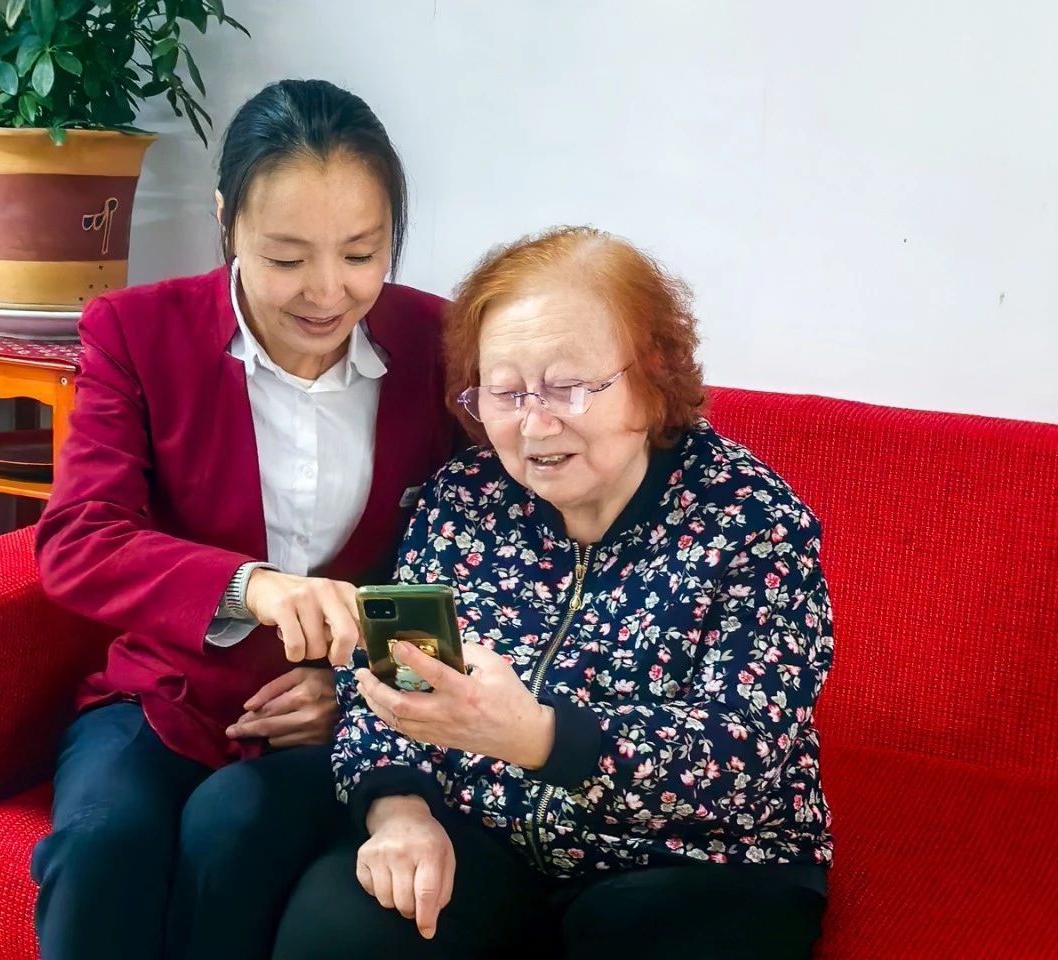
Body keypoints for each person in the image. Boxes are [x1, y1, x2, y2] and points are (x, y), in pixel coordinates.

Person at [276, 226, 833, 960]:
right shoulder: (464, 498)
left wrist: (539, 737)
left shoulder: (753, 521)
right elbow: (389, 675)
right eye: (505, 392)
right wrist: (399, 810)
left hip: (696, 862)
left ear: (654, 373)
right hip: (483, 836)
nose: (535, 425)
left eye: (569, 387)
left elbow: (743, 749)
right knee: (339, 932)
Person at [30, 78, 453, 960]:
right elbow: (80, 540)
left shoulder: (439, 346)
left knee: (236, 833)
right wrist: (251, 587)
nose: (327, 292)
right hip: (166, 698)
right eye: (286, 257)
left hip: (343, 719)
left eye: (362, 253)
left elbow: (472, 555)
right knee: (101, 847)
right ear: (226, 221)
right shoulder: (137, 332)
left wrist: (358, 694)